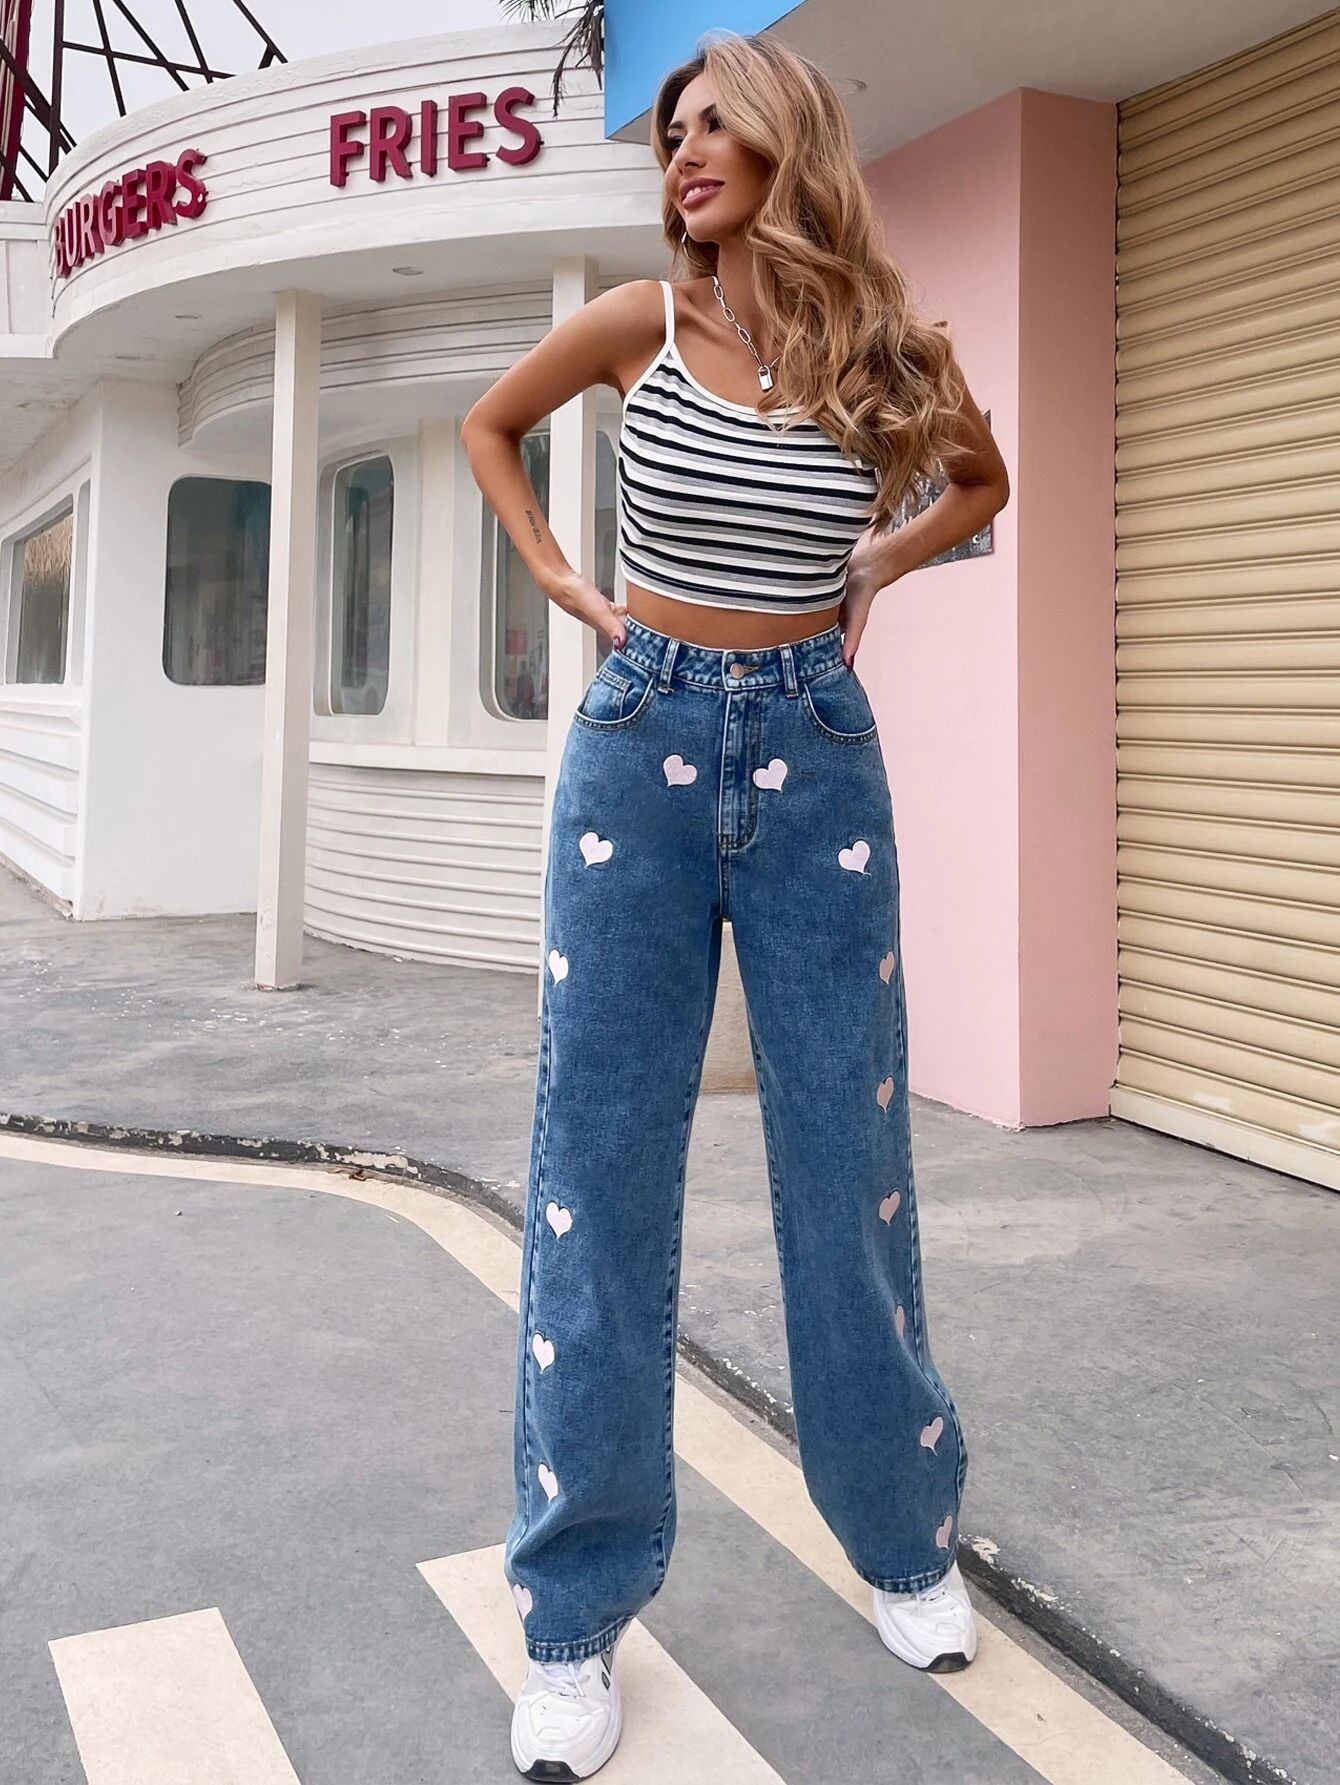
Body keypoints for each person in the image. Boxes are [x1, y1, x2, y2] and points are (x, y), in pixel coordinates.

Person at [461, 29, 1010, 1781]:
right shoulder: (644, 323)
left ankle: (905, 1539)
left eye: (715, 128)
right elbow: (489, 425)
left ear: (789, 146)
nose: (684, 153)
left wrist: (879, 559)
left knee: (846, 1159)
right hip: (637, 753)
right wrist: (562, 579)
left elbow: (982, 480)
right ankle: (571, 1620)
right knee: (599, 1174)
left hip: (816, 757)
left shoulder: (884, 348)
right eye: (673, 133)